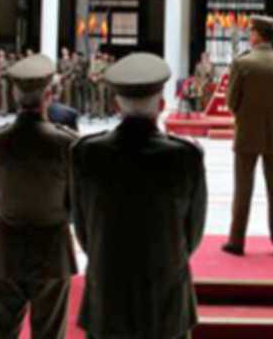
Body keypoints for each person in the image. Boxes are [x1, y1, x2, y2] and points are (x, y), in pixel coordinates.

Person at [71, 53, 207, 339]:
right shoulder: (185, 157)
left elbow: (82, 229)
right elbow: (192, 234)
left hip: (108, 292)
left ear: (114, 105)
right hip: (166, 293)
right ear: (160, 105)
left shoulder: (87, 153)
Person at [0, 54, 79, 339]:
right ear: (49, 95)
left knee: (1, 332)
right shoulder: (66, 143)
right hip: (52, 250)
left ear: (14, 95)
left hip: (7, 247)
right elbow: (74, 205)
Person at [224, 15, 273, 257]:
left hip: (247, 133)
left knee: (242, 189)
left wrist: (244, 115)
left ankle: (236, 241)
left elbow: (232, 101)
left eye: (250, 31)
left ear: (256, 34)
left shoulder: (243, 63)